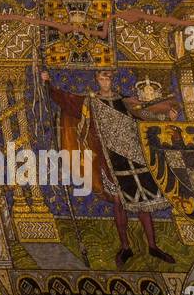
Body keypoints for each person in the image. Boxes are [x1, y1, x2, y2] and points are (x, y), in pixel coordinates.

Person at [42, 68, 177, 266]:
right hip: (110, 159)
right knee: (118, 202)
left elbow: (146, 115)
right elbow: (67, 100)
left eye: (109, 76)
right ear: (96, 78)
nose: (106, 80)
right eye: (102, 76)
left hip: (135, 156)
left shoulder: (125, 101)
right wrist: (48, 84)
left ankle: (153, 246)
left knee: (144, 202)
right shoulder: (91, 102)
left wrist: (167, 118)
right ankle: (125, 247)